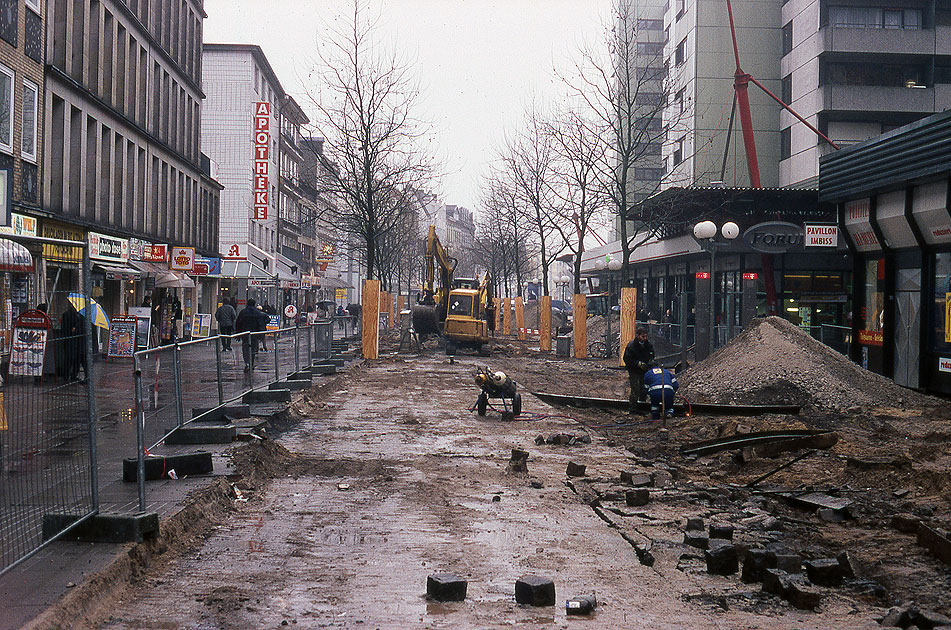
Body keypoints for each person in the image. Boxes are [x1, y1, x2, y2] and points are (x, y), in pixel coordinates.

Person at [623, 327, 655, 412]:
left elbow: (652, 354)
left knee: (644, 389)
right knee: (635, 389)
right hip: (634, 371)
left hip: (644, 371)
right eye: (643, 336)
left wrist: (651, 361)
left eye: (646, 336)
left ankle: (642, 405)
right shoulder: (631, 346)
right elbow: (627, 359)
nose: (645, 338)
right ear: (638, 336)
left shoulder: (648, 345)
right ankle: (632, 408)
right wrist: (638, 364)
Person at [234, 298, 269, 372]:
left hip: (245, 334)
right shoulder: (257, 313)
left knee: (245, 348)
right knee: (253, 349)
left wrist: (238, 334)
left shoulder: (243, 312)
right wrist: (261, 334)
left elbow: (238, 323)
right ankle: (251, 363)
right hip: (254, 334)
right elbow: (260, 324)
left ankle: (247, 363)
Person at [61, 302, 86, 382]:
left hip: (79, 341)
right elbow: (65, 328)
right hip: (70, 340)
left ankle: (74, 375)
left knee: (77, 360)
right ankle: (66, 375)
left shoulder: (82, 315)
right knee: (69, 359)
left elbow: (82, 327)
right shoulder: (67, 314)